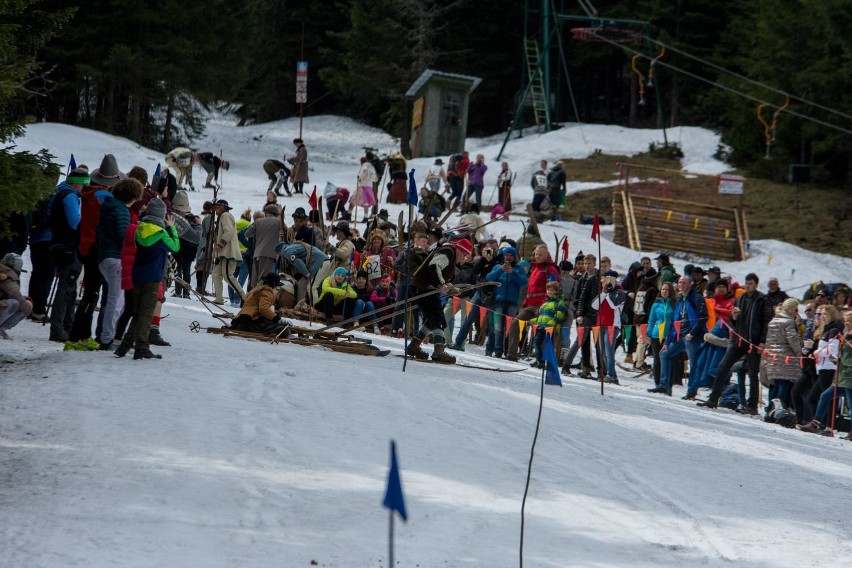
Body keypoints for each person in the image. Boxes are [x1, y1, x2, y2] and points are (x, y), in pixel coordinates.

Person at [67, 154, 124, 351]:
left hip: (85, 246)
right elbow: (119, 206)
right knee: (91, 294)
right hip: (96, 248)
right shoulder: (103, 196)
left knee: (90, 293)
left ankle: (81, 336)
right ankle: (77, 338)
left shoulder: (89, 193)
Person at [115, 198, 179, 360]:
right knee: (145, 314)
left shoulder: (138, 228)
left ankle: (125, 345)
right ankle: (142, 347)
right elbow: (175, 247)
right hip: (153, 277)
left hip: (137, 275)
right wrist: (172, 228)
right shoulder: (160, 233)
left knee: (137, 312)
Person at [698, 273, 773, 410]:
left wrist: (762, 341)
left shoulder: (763, 300)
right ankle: (713, 399)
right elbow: (732, 321)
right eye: (747, 283)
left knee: (752, 374)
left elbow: (767, 321)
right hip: (738, 340)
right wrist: (733, 317)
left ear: (756, 284)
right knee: (722, 367)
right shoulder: (740, 298)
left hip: (753, 342)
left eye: (751, 283)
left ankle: (752, 406)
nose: (748, 286)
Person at [406, 238, 474, 363]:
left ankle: (414, 345)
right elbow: (434, 267)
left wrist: (449, 288)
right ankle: (439, 350)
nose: (464, 258)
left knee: (432, 320)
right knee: (438, 320)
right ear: (459, 250)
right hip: (423, 288)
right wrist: (441, 284)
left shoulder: (450, 255)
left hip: (426, 288)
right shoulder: (449, 252)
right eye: (464, 255)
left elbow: (440, 274)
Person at [96, 178, 144, 350]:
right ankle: (107, 338)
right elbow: (123, 236)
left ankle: (107, 336)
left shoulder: (109, 207)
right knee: (116, 300)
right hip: (115, 257)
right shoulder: (122, 210)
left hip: (104, 256)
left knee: (114, 299)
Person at [651, 275, 709, 396]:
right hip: (679, 335)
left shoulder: (696, 297)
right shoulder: (678, 298)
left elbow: (704, 316)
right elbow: (674, 320)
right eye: (679, 282)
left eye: (684, 282)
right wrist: (667, 342)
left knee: (694, 363)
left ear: (690, 284)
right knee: (664, 354)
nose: (681, 284)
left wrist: (692, 333)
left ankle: (691, 391)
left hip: (693, 336)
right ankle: (664, 386)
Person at [48, 167, 87, 343]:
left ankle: (65, 327)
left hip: (57, 243)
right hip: (68, 246)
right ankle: (59, 329)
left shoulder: (60, 193)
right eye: (83, 185)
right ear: (77, 183)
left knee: (67, 287)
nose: (83, 189)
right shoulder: (70, 196)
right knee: (67, 288)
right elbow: (74, 222)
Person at [798, 310, 851, 434]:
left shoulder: (843, 335)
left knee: (849, 404)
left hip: (849, 375)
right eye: (845, 320)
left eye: (849, 321)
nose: (846, 323)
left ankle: (831, 427)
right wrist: (836, 358)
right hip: (841, 374)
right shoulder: (845, 334)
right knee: (825, 396)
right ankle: (816, 424)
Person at [505, 244, 559, 362]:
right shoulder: (534, 268)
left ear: (547, 255)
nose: (538, 256)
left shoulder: (550, 269)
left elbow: (552, 289)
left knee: (540, 331)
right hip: (530, 304)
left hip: (543, 305)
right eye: (536, 254)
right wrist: (525, 303)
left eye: (541, 254)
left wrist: (545, 304)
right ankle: (512, 353)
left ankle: (540, 359)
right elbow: (531, 288)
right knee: (515, 323)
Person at [484, 246, 528, 358]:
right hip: (499, 300)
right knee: (497, 326)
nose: (508, 257)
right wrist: (501, 270)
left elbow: (523, 282)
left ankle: (507, 349)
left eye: (511, 255)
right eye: (507, 255)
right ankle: (498, 350)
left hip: (512, 302)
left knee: (510, 327)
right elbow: (489, 278)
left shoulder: (519, 269)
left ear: (514, 257)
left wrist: (513, 272)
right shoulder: (498, 266)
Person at [763, 298, 803, 418]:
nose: (797, 313)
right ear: (790, 309)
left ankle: (770, 411)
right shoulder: (789, 322)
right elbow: (793, 339)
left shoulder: (774, 320)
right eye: (796, 310)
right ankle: (779, 411)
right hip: (786, 357)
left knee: (776, 384)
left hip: (773, 356)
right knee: (784, 384)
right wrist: (799, 353)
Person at [230, 271, 292, 336]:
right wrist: (278, 319)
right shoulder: (267, 291)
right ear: (274, 284)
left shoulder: (255, 289)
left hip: (241, 320)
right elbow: (263, 309)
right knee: (281, 329)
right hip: (253, 320)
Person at [211, 200, 245, 305]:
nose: (215, 209)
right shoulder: (223, 217)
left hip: (228, 253)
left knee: (228, 276)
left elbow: (228, 231)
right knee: (216, 274)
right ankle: (219, 298)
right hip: (223, 253)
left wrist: (220, 244)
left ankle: (245, 297)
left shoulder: (225, 216)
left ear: (222, 207)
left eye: (217, 206)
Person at [595, 270, 627, 384]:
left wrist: (608, 293)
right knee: (602, 352)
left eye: (605, 278)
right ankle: (610, 373)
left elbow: (614, 305)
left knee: (609, 352)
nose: (602, 281)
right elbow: (594, 305)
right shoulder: (603, 292)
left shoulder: (620, 292)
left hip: (612, 325)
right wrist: (603, 293)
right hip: (601, 324)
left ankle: (611, 375)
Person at [170, 190, 202, 298]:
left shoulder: (175, 218)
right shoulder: (194, 219)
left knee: (178, 269)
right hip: (190, 249)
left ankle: (178, 292)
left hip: (179, 246)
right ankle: (186, 292)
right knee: (186, 269)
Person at [245, 204, 283, 290]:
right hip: (269, 254)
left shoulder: (258, 221)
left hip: (256, 254)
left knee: (254, 280)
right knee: (263, 279)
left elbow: (247, 234)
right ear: (276, 213)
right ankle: (258, 299)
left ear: (266, 212)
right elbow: (287, 233)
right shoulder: (279, 221)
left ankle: (252, 298)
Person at [529, 281, 566, 368]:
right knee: (536, 343)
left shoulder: (559, 303)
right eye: (548, 290)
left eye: (552, 290)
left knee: (547, 345)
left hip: (549, 328)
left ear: (556, 291)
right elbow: (541, 316)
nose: (549, 292)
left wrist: (550, 323)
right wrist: (533, 321)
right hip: (541, 326)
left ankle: (544, 361)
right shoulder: (545, 303)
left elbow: (559, 316)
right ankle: (539, 360)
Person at [646, 281, 675, 389]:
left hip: (669, 335)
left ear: (670, 291)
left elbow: (675, 320)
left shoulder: (674, 304)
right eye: (663, 289)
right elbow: (651, 320)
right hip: (656, 334)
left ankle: (668, 384)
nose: (664, 291)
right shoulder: (656, 304)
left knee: (668, 359)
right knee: (657, 360)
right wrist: (648, 334)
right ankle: (658, 383)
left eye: (667, 289)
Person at [0, 253, 33, 339]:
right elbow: (14, 293)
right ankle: (1, 328)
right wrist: (25, 303)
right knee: (15, 303)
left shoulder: (3, 270)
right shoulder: (8, 274)